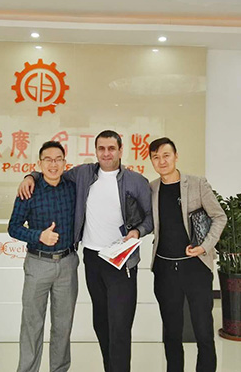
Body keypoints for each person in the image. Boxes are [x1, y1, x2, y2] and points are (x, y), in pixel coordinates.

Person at [18, 130, 153, 372]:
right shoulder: (83, 174)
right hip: (93, 258)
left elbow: (151, 218)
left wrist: (138, 231)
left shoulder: (136, 181)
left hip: (121, 261)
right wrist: (30, 176)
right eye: (101, 148)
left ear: (120, 150)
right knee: (101, 322)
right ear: (96, 151)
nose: (106, 153)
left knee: (120, 326)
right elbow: (53, 172)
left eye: (111, 148)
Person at [148, 137, 226, 372]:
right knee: (171, 333)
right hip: (165, 269)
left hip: (196, 267)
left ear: (176, 156)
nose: (162, 161)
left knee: (203, 330)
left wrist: (205, 246)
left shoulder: (197, 184)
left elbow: (219, 217)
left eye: (166, 155)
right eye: (156, 157)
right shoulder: (151, 188)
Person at [8, 140, 78, 372]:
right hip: (38, 264)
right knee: (32, 324)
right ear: (39, 164)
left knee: (63, 326)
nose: (53, 164)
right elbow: (13, 227)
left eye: (58, 159)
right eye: (48, 160)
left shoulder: (72, 187)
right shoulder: (29, 190)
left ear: (65, 163)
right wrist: (39, 236)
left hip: (67, 264)